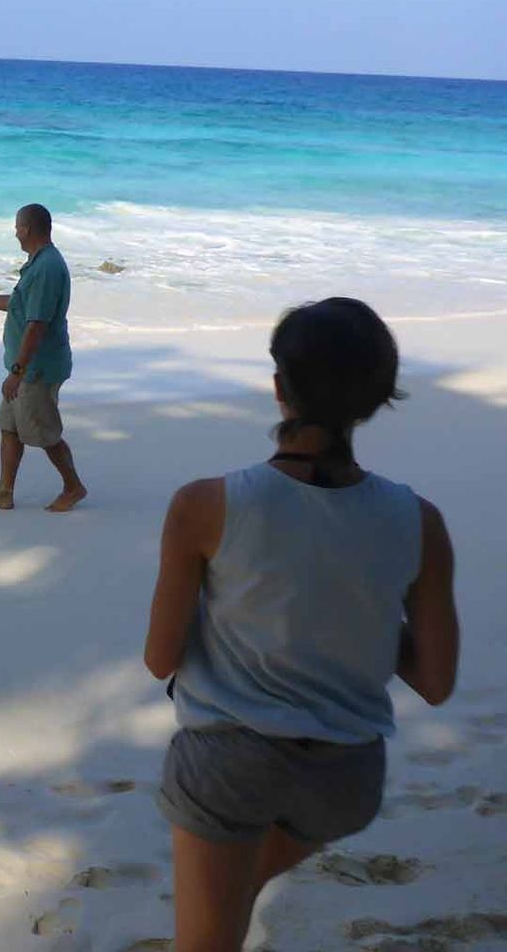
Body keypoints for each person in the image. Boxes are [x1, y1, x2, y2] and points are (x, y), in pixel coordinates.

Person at [143, 297, 459, 952]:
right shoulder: (418, 520)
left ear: (279, 387)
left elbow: (159, 656)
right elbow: (435, 678)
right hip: (346, 779)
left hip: (228, 763)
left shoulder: (206, 504)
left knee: (206, 940)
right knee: (234, 899)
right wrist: (354, 605)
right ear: (375, 400)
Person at [0, 203, 87, 512]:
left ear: (27, 229)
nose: (15, 232)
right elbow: (18, 306)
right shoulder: (37, 263)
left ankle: (73, 487)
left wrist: (17, 371)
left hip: (36, 370)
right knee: (10, 427)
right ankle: (4, 492)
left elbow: (36, 325)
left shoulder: (46, 269)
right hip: (24, 368)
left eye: (17, 227)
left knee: (45, 433)